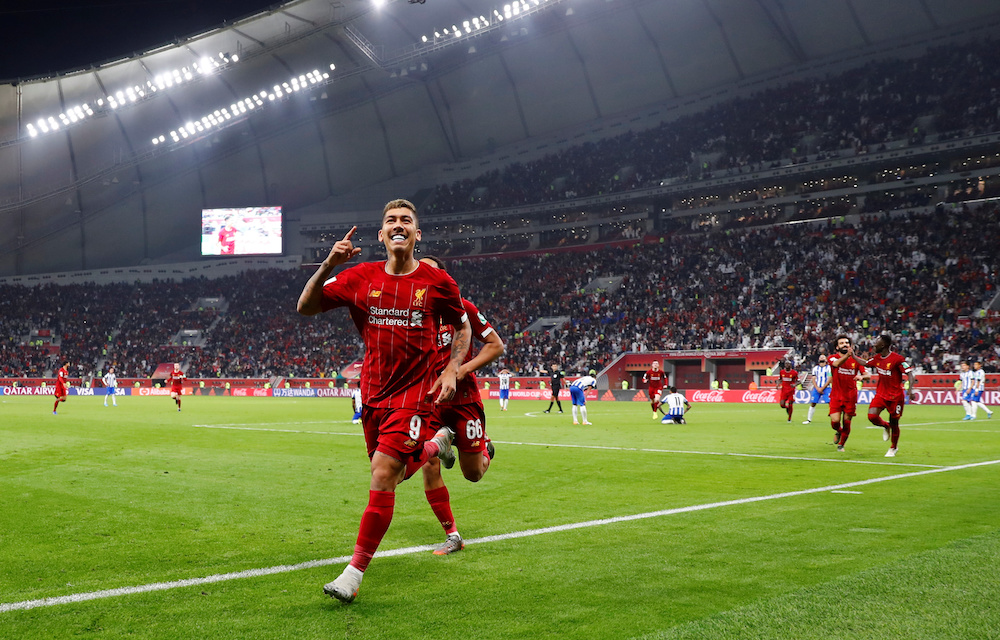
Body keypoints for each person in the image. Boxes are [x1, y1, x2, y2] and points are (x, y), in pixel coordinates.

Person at [296, 198, 471, 604]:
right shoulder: (361, 277)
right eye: (391, 220)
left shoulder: (436, 282)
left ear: (417, 233)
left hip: (414, 395)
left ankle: (353, 574)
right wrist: (328, 264)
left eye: (406, 220)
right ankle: (437, 444)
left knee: (381, 474)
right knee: (393, 475)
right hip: (373, 394)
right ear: (381, 234)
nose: (398, 225)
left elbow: (463, 327)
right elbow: (305, 308)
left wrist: (451, 369)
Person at [417, 255, 505, 555]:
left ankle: (484, 448)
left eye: (431, 271)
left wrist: (461, 370)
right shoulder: (411, 314)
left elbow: (496, 345)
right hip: (429, 401)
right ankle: (452, 534)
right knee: (426, 463)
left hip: (464, 400)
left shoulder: (462, 308)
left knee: (473, 474)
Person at [862, 335, 915, 457]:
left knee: (895, 422)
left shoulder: (898, 359)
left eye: (876, 343)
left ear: (883, 345)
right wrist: (852, 356)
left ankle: (893, 447)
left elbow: (910, 374)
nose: (874, 345)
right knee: (872, 416)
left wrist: (910, 390)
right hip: (881, 394)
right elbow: (866, 363)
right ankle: (885, 426)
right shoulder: (876, 358)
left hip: (895, 397)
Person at [828, 336, 866, 452]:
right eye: (842, 343)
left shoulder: (856, 360)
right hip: (836, 395)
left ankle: (841, 445)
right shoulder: (832, 358)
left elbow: (866, 373)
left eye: (847, 343)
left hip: (850, 396)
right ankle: (839, 431)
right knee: (835, 421)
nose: (845, 344)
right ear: (837, 347)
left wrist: (862, 376)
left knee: (847, 421)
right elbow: (836, 364)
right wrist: (847, 356)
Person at [803, 354, 831, 424]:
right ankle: (809, 419)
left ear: (826, 359)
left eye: (823, 357)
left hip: (826, 388)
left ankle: (834, 419)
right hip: (817, 388)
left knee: (831, 403)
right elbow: (813, 379)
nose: (821, 357)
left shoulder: (829, 368)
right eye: (820, 357)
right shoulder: (815, 368)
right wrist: (817, 388)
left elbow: (830, 379)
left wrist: (822, 388)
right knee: (813, 403)